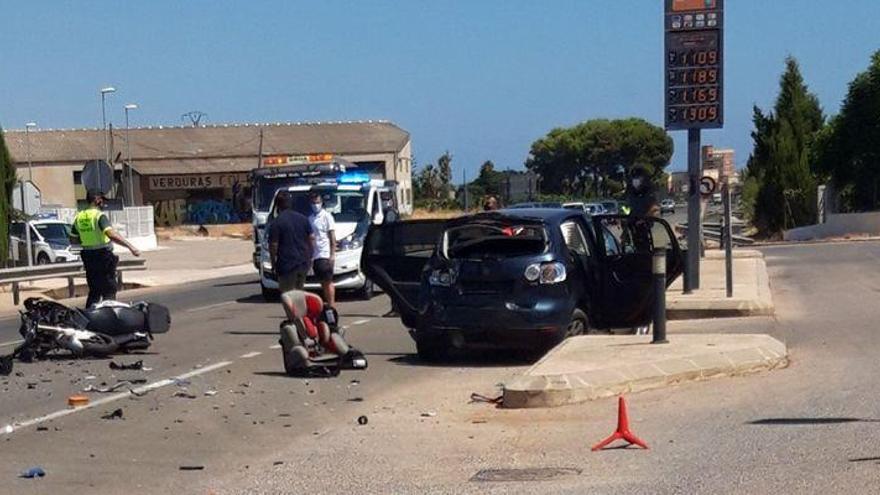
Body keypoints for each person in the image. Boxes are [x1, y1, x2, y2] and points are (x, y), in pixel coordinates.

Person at [70, 192, 141, 307]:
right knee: (109, 290)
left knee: (94, 291)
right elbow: (111, 234)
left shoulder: (79, 217)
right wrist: (130, 247)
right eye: (102, 200)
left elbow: (73, 240)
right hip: (103, 256)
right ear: (97, 200)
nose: (103, 203)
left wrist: (87, 240)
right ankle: (108, 316)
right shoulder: (99, 216)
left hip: (88, 257)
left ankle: (89, 319)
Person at [269, 191, 315, 293]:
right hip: (303, 262)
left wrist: (273, 262)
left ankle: (294, 309)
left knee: (288, 295)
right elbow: (311, 238)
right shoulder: (303, 219)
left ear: (277, 205)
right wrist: (311, 256)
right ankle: (301, 309)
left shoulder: (276, 223)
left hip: (286, 264)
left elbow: (273, 245)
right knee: (300, 292)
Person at [308, 191, 337, 308]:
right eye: (314, 202)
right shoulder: (310, 218)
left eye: (318, 202)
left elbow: (332, 237)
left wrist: (332, 254)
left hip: (324, 254)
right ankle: (327, 303)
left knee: (328, 281)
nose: (316, 205)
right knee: (322, 282)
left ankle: (332, 305)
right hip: (315, 255)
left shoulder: (327, 217)